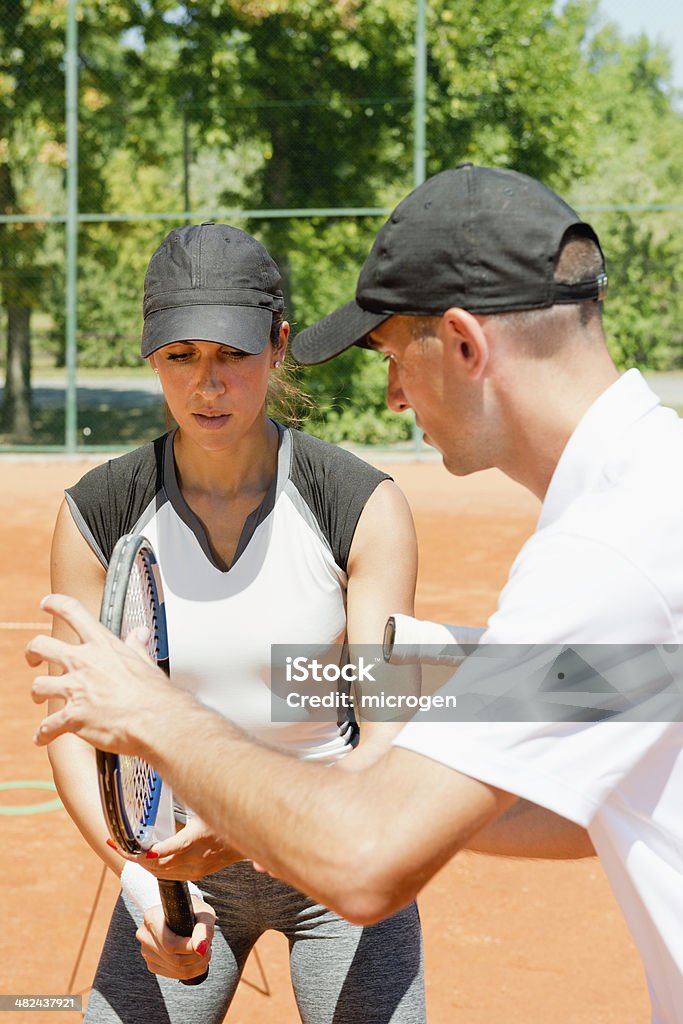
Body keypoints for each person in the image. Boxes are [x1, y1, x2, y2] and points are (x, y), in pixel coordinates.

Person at [29, 165, 683, 1022]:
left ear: (462, 343)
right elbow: (585, 768)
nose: (391, 395)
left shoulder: (603, 552)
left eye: (389, 357)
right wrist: (273, 795)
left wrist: (158, 716)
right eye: (179, 356)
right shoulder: (648, 495)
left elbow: (369, 858)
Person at [41, 222, 426, 1022]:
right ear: (152, 357)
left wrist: (265, 825)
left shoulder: (360, 505)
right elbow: (79, 729)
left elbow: (390, 734)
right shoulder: (98, 514)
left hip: (334, 842)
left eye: (233, 354)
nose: (206, 385)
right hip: (179, 865)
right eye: (181, 356)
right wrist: (142, 877)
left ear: (279, 346)